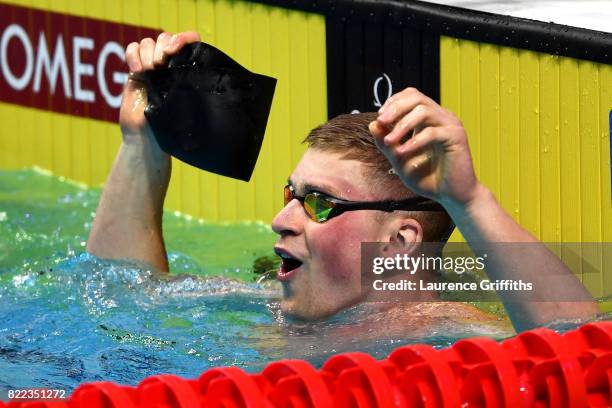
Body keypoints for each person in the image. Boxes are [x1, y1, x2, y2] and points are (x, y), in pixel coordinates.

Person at [87, 31, 599, 334]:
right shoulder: (261, 303)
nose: (279, 219)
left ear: (399, 242)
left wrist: (468, 198)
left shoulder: (456, 336)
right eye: (292, 195)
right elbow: (122, 294)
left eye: (319, 204)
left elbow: (581, 350)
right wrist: (142, 144)